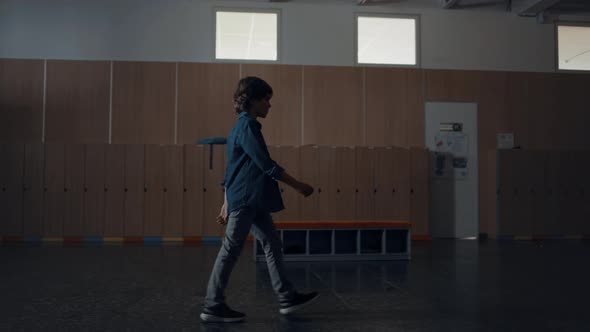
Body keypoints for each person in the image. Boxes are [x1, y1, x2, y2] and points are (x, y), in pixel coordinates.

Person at [200, 76, 319, 323]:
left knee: (272, 243)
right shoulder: (247, 128)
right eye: (266, 99)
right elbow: (266, 165)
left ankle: (286, 297)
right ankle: (213, 305)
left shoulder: (240, 127)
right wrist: (299, 186)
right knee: (231, 249)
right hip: (246, 199)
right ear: (253, 100)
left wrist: (225, 202)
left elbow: (232, 169)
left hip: (252, 200)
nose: (269, 105)